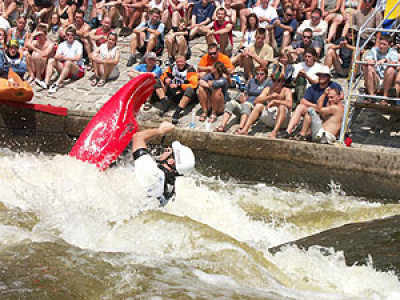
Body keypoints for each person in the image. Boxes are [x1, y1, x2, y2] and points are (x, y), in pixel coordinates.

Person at [132, 121, 195, 206]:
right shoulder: (171, 186)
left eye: (169, 150)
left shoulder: (151, 170)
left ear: (171, 161)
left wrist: (160, 130)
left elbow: (138, 137)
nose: (166, 149)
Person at [280, 65, 342, 140]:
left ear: (329, 77)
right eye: (320, 75)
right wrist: (315, 105)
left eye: (324, 76)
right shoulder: (313, 87)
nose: (321, 77)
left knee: (310, 111)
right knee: (301, 106)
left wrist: (320, 105)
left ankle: (303, 134)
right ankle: (288, 131)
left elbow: (341, 96)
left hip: (326, 112)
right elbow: (303, 101)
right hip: (318, 109)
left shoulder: (334, 86)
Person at [235, 64, 293, 138]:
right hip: (270, 116)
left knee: (282, 107)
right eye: (274, 80)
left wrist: (277, 102)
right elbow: (256, 101)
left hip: (283, 120)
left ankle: (274, 132)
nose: (276, 83)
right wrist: (270, 97)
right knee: (258, 106)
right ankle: (245, 129)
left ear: (282, 82)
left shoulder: (286, 90)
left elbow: (290, 104)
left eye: (279, 81)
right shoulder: (268, 89)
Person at [214, 65, 269, 133]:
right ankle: (222, 126)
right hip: (246, 106)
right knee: (231, 103)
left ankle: (241, 127)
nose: (259, 75)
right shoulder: (251, 81)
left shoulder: (268, 83)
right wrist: (243, 99)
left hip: (255, 109)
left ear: (266, 75)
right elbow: (245, 94)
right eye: (257, 73)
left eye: (262, 74)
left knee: (247, 104)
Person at [38, 27, 85, 94]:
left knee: (68, 62)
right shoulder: (62, 45)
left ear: (74, 36)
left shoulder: (78, 44)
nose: (70, 36)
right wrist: (60, 57)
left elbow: (77, 58)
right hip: (65, 68)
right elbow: (56, 56)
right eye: (68, 35)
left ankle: (56, 84)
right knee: (51, 60)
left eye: (72, 35)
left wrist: (64, 58)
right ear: (65, 36)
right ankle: (46, 82)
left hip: (77, 69)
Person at [159, 55, 198, 123]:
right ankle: (164, 103)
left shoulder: (190, 70)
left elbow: (194, 85)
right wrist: (166, 79)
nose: (179, 64)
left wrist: (179, 86)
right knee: (158, 81)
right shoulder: (172, 67)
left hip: (184, 94)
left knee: (189, 89)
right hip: (174, 91)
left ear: (185, 61)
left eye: (181, 62)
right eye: (178, 62)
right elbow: (163, 75)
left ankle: (177, 112)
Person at [363, 35, 398, 105]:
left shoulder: (393, 51)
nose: (381, 46)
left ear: (389, 45)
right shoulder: (374, 50)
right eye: (380, 43)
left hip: (388, 78)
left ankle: (385, 98)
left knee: (391, 69)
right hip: (376, 77)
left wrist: (385, 60)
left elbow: (394, 62)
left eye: (384, 44)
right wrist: (369, 60)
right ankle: (371, 96)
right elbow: (367, 58)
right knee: (367, 67)